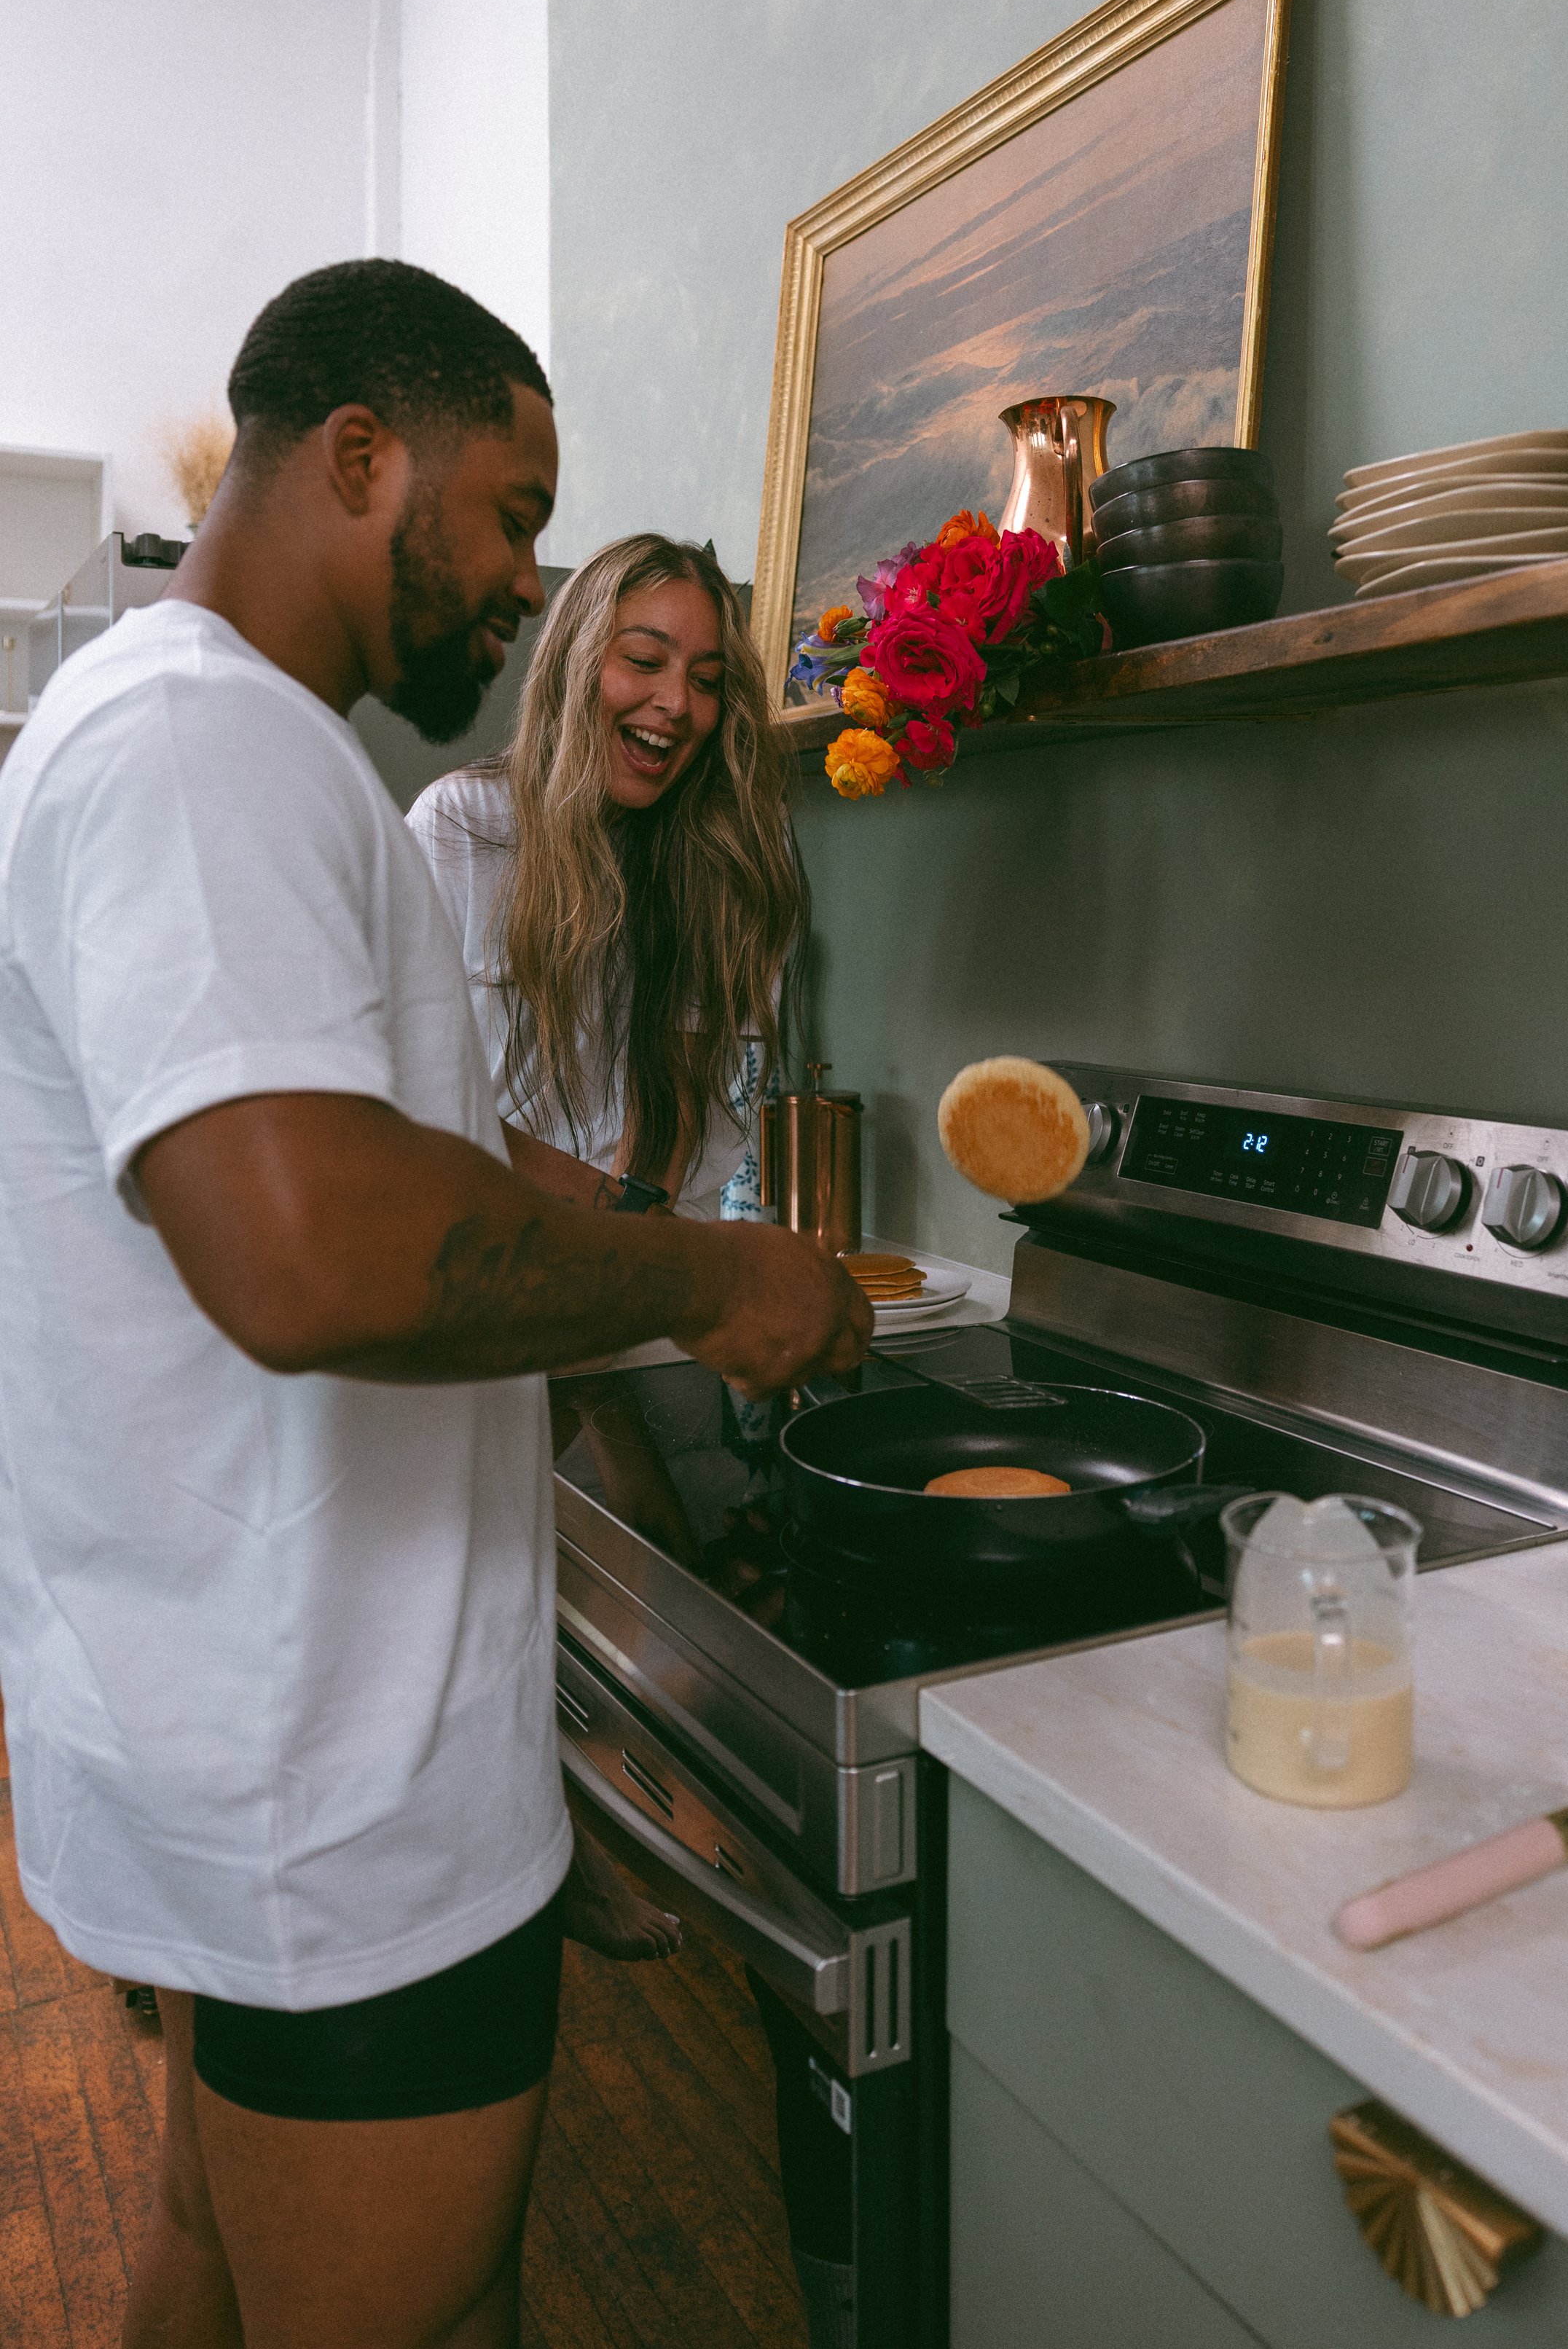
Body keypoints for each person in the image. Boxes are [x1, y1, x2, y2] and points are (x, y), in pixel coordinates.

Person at [0, 258, 870, 2349]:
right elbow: (319, 1249)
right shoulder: (204, 741)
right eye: (508, 512)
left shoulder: (227, 743)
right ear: (361, 455)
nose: (522, 580)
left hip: (265, 1742)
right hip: (330, 1783)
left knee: (218, 2254)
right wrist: (701, 1272)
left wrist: (691, 1246)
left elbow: (426, 1157)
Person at [406, 533, 800, 1529]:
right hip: (481, 1352)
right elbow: (419, 1113)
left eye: (707, 680)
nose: (677, 702)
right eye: (645, 658)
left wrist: (619, 1403)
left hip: (657, 1361)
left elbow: (691, 1156)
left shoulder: (732, 881)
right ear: (580, 658)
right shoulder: (461, 833)